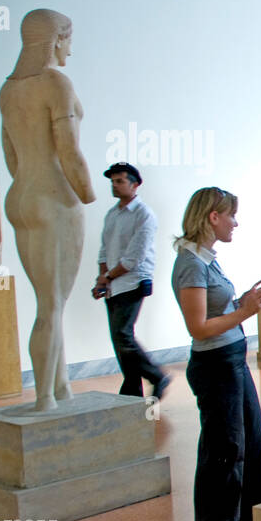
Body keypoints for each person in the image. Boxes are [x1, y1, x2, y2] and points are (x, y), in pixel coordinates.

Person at [0, 8, 98, 411]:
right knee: (52, 304)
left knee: (48, 301)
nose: (70, 51)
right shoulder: (56, 83)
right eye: (68, 40)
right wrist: (89, 196)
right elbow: (69, 151)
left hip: (21, 194)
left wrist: (29, 183)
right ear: (55, 39)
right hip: (55, 197)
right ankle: (44, 398)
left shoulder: (9, 89)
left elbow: (10, 152)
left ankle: (59, 388)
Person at [171, 187, 261, 521]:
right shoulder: (190, 264)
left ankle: (248, 513)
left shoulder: (206, 258)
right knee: (225, 444)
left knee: (253, 437)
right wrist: (244, 311)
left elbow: (218, 309)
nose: (235, 222)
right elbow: (198, 327)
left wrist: (240, 303)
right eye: (230, 215)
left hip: (233, 360)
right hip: (215, 365)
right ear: (213, 217)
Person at [92, 162, 168, 401]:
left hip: (133, 282)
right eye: (112, 181)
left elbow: (134, 257)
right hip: (114, 283)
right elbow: (104, 250)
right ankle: (132, 390)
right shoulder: (112, 214)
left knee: (123, 335)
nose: (114, 185)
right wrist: (103, 279)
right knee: (119, 338)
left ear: (135, 184)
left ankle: (156, 376)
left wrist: (108, 276)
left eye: (120, 181)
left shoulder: (144, 215)